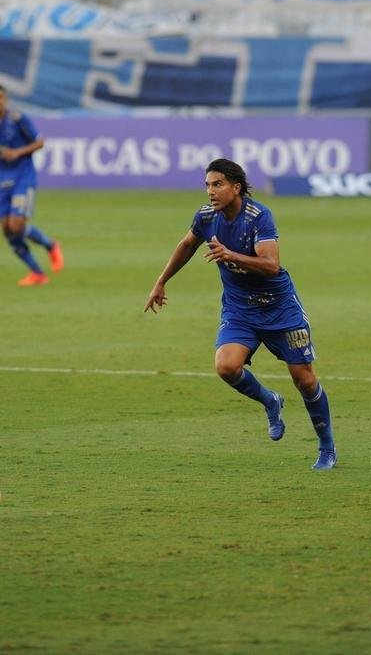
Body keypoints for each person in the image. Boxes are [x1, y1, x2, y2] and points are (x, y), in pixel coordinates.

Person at [144, 159, 337, 470]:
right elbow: (186, 244)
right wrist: (161, 281)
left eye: (217, 184)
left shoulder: (259, 216)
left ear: (236, 187)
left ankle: (327, 447)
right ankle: (270, 401)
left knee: (304, 380)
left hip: (279, 309)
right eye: (207, 185)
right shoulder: (206, 217)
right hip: (240, 309)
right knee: (226, 366)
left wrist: (231, 255)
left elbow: (271, 265)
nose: (210, 191)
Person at [0, 84, 64, 286]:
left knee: (17, 224)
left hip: (23, 176)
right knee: (6, 229)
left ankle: (50, 245)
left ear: (5, 99)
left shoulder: (17, 119)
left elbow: (39, 142)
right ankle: (37, 273)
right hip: (2, 179)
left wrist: (17, 153)